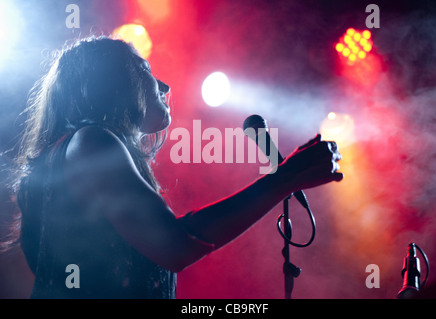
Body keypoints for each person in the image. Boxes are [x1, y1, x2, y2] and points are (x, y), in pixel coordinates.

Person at [4, 36, 343, 299]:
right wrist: (284, 179)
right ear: (111, 82)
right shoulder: (91, 141)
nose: (164, 87)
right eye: (145, 70)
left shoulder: (69, 151)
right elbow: (173, 245)